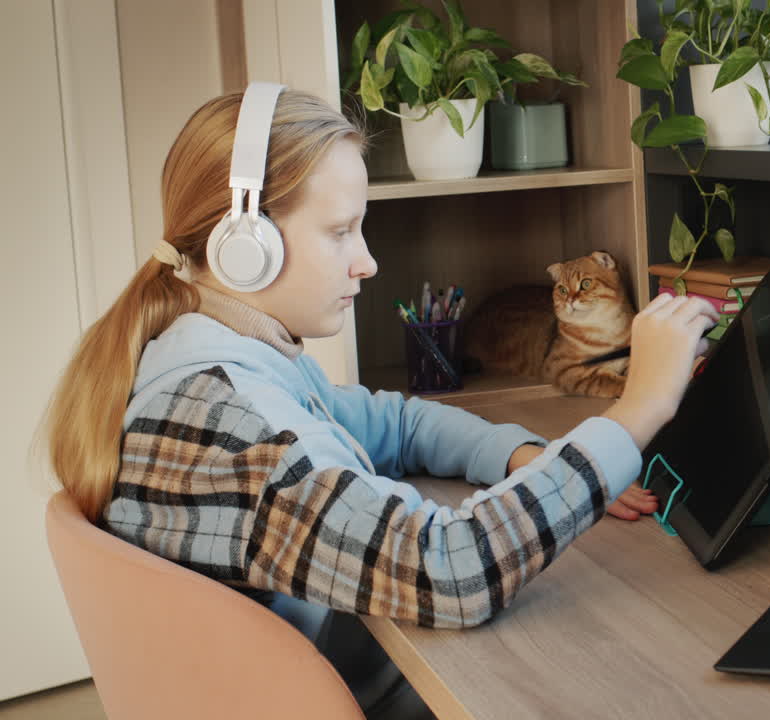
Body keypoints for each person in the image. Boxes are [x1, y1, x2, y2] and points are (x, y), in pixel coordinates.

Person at [44, 87, 717, 719]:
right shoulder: (233, 427)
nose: (366, 262)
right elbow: (450, 569)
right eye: (341, 232)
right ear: (244, 245)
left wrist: (517, 452)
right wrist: (637, 411)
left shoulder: (213, 358)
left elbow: (393, 420)